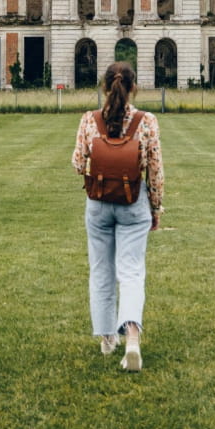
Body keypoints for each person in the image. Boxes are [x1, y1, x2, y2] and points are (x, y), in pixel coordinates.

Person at [71, 61, 165, 372]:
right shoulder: (146, 121)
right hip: (133, 203)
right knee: (131, 271)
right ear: (134, 87)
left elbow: (77, 163)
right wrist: (156, 207)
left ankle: (107, 338)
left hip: (97, 203)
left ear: (104, 87)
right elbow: (154, 170)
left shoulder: (89, 120)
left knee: (100, 271)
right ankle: (133, 339)